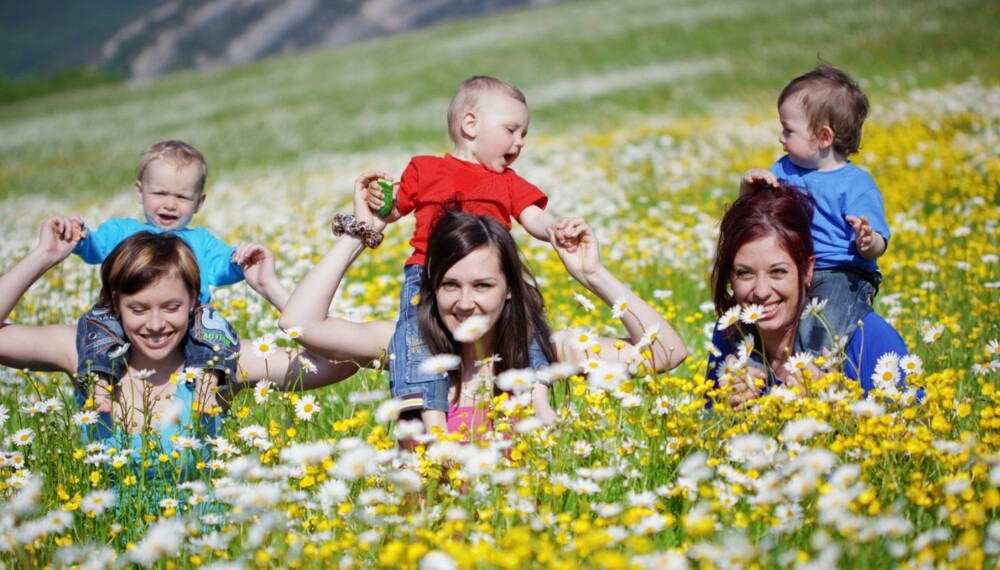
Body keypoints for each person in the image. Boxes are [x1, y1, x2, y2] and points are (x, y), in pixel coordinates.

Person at [281, 173, 687, 436]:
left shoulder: (549, 350)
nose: (464, 302)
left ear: (510, 287)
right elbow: (299, 323)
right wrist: (359, 234)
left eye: (483, 285)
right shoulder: (407, 346)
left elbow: (667, 352)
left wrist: (593, 275)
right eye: (449, 285)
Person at [0, 220, 358, 473]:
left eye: (171, 308)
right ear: (115, 302)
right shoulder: (81, 351)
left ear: (193, 300)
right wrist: (44, 256)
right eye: (138, 309)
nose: (156, 325)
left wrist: (271, 289)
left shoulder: (223, 360)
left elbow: (342, 360)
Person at [362, 76, 569, 432]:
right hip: (428, 276)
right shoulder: (424, 169)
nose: (519, 142)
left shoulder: (507, 181)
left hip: (492, 280)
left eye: (524, 136)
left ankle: (537, 395)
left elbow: (532, 215)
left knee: (530, 323)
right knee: (414, 338)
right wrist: (377, 199)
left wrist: (556, 230)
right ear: (470, 124)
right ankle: (432, 420)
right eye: (512, 130)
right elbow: (393, 212)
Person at [65, 140, 286, 413]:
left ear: (199, 202)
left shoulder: (201, 241)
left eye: (182, 197)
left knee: (215, 328)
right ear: (139, 191)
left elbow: (222, 265)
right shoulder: (121, 230)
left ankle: (207, 386)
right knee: (96, 323)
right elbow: (95, 247)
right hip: (122, 317)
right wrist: (78, 236)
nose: (170, 204)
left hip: (189, 320)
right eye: (160, 193)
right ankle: (100, 385)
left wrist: (241, 260)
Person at [707, 183, 910, 409]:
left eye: (778, 272)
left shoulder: (867, 336)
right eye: (744, 273)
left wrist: (837, 410)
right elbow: (707, 436)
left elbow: (916, 435)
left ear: (807, 270)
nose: (762, 292)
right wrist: (725, 410)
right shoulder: (731, 336)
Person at [738, 64, 888, 354]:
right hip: (789, 269)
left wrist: (868, 242)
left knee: (821, 324)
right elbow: (755, 216)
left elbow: (880, 243)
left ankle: (812, 371)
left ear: (824, 137)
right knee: (749, 315)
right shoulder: (782, 170)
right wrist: (748, 188)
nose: (781, 137)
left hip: (841, 271)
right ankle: (754, 365)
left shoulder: (856, 185)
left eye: (788, 130)